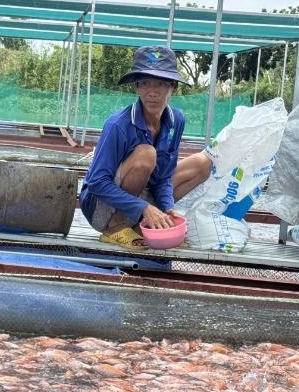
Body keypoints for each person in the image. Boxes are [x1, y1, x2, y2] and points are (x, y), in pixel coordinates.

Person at [80, 45, 211, 250]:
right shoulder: (118, 125)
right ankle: (116, 226)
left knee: (202, 164)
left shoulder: (176, 120)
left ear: (173, 87)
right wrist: (143, 207)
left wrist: (167, 207)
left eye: (160, 84)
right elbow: (96, 182)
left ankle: (148, 224)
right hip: (103, 207)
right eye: (144, 84)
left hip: (142, 197)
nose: (152, 92)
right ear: (136, 87)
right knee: (146, 154)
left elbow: (164, 177)